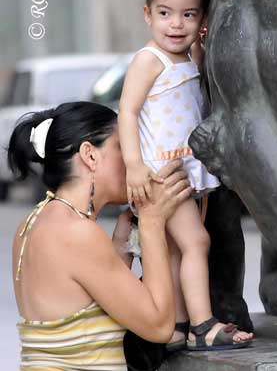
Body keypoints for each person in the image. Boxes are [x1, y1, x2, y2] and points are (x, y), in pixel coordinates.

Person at [118, 0, 253, 352]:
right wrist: (134, 166)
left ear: (201, 18)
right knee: (197, 243)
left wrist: (200, 43)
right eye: (165, 13)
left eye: (188, 15)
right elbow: (127, 112)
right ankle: (203, 325)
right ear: (148, 14)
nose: (175, 24)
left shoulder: (184, 58)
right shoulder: (149, 60)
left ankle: (175, 324)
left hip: (188, 170)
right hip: (162, 173)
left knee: (177, 251)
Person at [9, 100, 192, 370]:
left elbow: (89, 303)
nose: (134, 160)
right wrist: (153, 223)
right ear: (90, 155)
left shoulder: (35, 221)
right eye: (123, 147)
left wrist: (120, 244)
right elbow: (159, 326)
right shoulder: (77, 233)